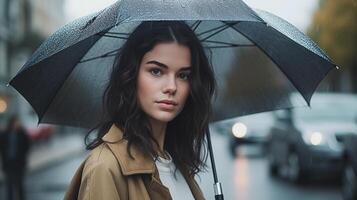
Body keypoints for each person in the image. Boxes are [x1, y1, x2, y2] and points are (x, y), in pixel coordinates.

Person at [64, 21, 216, 200]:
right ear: (131, 75)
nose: (172, 87)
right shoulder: (105, 168)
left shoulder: (177, 164)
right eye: (157, 71)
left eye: (183, 75)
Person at [0, 115, 31, 200]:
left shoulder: (22, 133)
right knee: (9, 186)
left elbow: (27, 146)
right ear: (12, 123)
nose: (17, 124)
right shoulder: (5, 134)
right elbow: (2, 147)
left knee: (20, 185)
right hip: (8, 163)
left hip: (19, 164)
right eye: (16, 122)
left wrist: (23, 158)